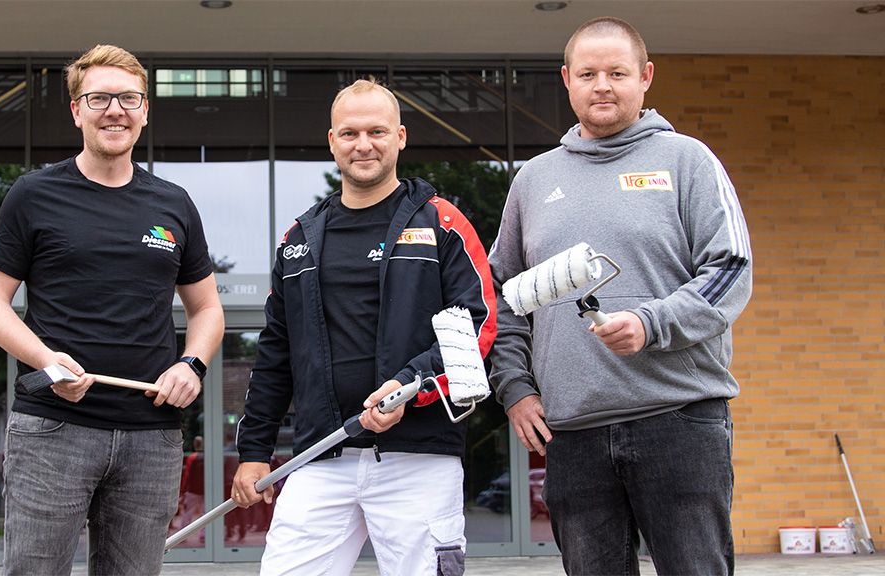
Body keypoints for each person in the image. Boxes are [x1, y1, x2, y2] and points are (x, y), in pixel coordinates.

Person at [488, 17, 751, 576]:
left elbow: (730, 268)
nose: (601, 85)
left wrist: (651, 322)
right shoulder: (533, 181)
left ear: (646, 76)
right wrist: (514, 388)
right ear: (566, 79)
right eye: (587, 73)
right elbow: (502, 299)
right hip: (574, 434)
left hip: (679, 421)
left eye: (616, 72)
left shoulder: (688, 161)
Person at [0, 44, 224, 575]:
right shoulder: (34, 194)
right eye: (100, 98)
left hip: (151, 433)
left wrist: (192, 365)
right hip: (53, 431)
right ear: (76, 110)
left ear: (146, 110)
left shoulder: (174, 203)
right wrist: (47, 361)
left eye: (129, 98)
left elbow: (206, 311)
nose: (116, 110)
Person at [232, 79, 496, 576]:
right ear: (331, 141)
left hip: (418, 458)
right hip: (320, 454)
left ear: (400, 136)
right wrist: (253, 451)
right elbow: (274, 353)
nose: (363, 144)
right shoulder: (299, 239)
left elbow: (476, 327)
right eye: (349, 133)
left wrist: (406, 389)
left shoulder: (441, 222)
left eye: (376, 131)